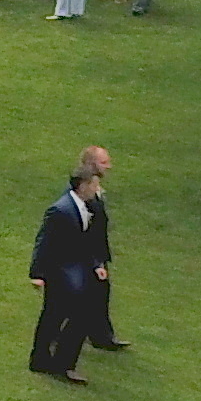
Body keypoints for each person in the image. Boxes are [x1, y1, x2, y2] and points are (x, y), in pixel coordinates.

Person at [28, 161, 106, 380]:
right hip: (60, 274)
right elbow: (44, 242)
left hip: (74, 274)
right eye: (94, 185)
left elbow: (85, 242)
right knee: (62, 317)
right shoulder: (60, 210)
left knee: (57, 317)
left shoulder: (85, 208)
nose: (96, 190)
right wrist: (37, 274)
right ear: (82, 185)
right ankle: (57, 362)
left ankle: (48, 361)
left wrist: (96, 265)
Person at [79, 143, 130, 349]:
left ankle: (101, 336)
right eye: (104, 162)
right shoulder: (84, 192)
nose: (109, 166)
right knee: (84, 296)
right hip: (88, 256)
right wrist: (96, 261)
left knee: (100, 294)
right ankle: (98, 336)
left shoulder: (95, 188)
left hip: (96, 253)